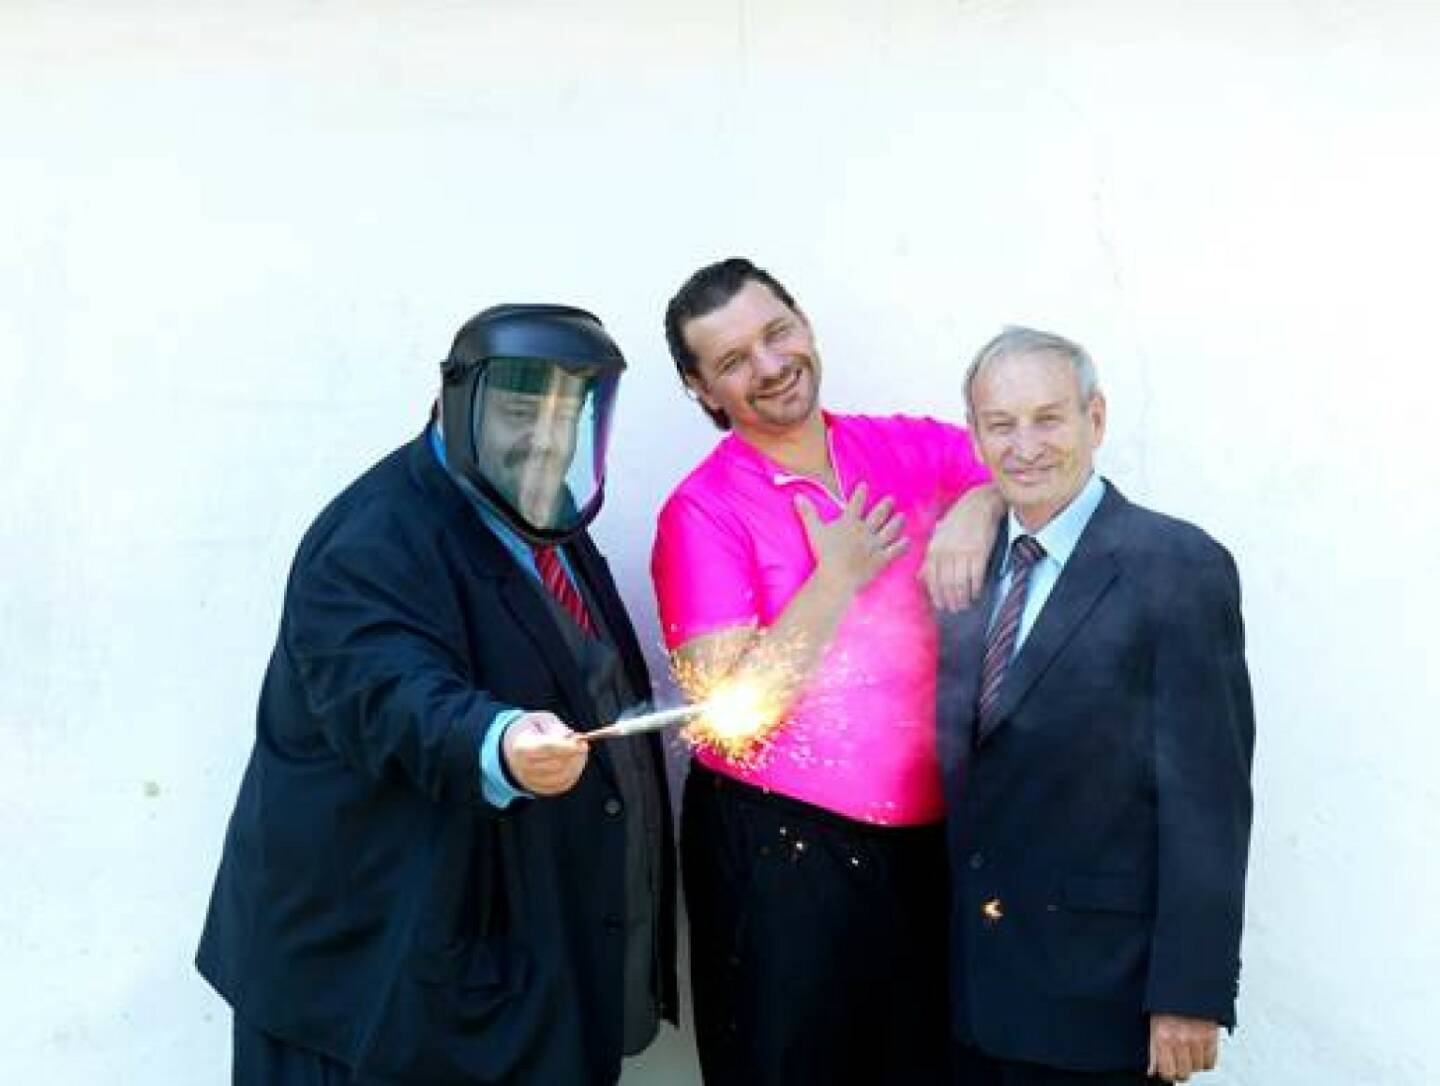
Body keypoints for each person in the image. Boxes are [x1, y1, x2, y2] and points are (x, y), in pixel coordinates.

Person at [196, 304, 677, 1085]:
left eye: (566, 414)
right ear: (455, 402)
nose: (546, 438)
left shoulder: (536, 513)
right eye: (521, 410)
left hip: (501, 981)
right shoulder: (372, 536)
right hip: (365, 993)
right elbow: (387, 692)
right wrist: (498, 740)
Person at [651, 257, 1003, 1085]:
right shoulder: (702, 511)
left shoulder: (899, 443)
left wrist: (980, 504)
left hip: (926, 849)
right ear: (703, 390)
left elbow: (1014, 470)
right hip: (782, 859)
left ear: (804, 324)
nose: (771, 364)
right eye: (734, 360)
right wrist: (835, 579)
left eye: (777, 333)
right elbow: (730, 716)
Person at [938, 327, 1255, 1085]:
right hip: (972, 997)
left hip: (1102, 997)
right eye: (1001, 424)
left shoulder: (1178, 566)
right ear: (975, 434)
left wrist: (1190, 994)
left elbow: (1208, 800)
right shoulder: (964, 564)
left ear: (1096, 418)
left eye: (1048, 419)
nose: (1025, 447)